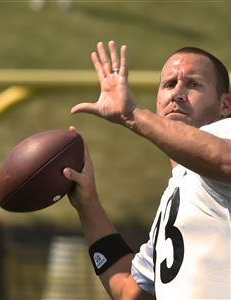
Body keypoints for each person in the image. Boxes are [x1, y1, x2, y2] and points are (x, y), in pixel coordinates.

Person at [63, 41, 231, 299]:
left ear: (225, 105)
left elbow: (224, 160)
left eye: (194, 84)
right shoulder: (177, 193)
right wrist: (88, 204)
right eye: (169, 84)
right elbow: (129, 289)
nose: (177, 93)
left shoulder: (225, 134)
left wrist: (132, 114)